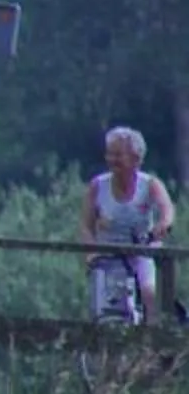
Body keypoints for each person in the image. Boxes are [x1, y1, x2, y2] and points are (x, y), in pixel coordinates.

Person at [78, 124, 176, 321]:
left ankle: (151, 342)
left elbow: (167, 210)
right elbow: (85, 225)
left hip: (141, 250)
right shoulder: (97, 186)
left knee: (149, 293)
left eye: (118, 155)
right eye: (109, 154)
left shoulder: (150, 184)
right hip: (107, 255)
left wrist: (162, 225)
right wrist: (91, 252)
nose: (112, 160)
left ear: (136, 159)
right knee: (105, 309)